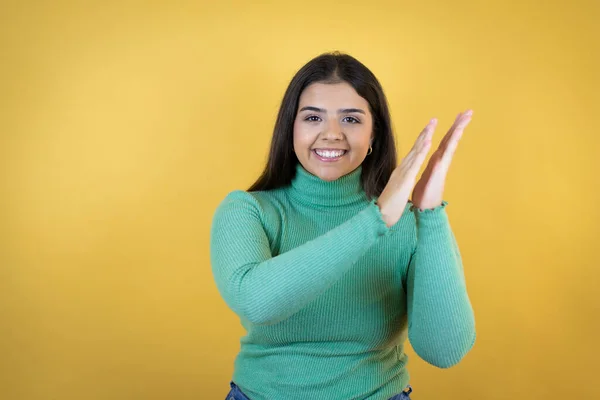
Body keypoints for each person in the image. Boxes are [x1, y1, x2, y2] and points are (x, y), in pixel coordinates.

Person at [210, 51, 476, 400]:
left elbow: (444, 351)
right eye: (313, 118)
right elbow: (258, 302)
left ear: (373, 134)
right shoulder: (247, 211)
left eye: (351, 119)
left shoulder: (406, 221)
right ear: (291, 127)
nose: (331, 134)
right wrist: (376, 219)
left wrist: (430, 213)